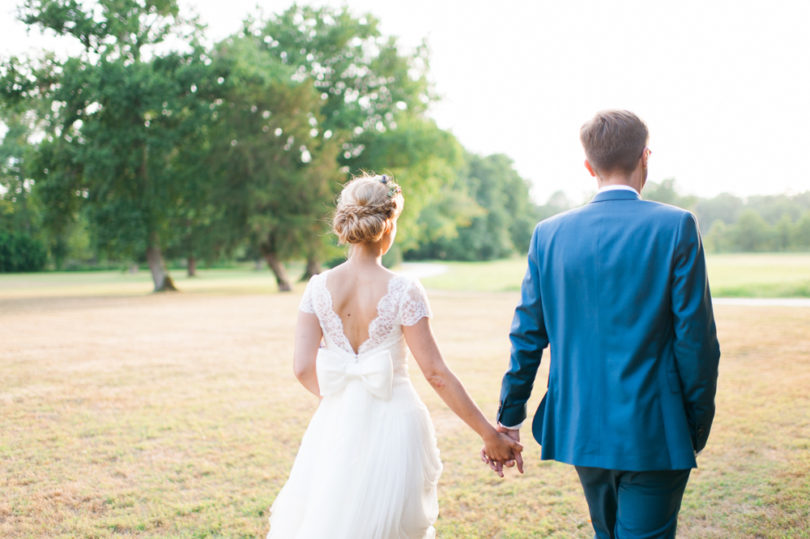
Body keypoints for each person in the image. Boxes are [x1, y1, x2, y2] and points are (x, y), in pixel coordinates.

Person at [488, 110, 720, 538]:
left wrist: (509, 415)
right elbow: (697, 342)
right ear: (645, 157)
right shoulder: (677, 226)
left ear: (589, 166)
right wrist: (696, 422)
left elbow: (527, 336)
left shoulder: (548, 234)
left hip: (580, 424)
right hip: (656, 427)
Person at [267, 174, 522, 538]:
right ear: (389, 226)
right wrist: (489, 434)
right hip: (396, 423)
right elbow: (435, 373)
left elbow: (302, 367)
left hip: (335, 422)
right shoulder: (405, 289)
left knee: (334, 518)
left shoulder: (317, 287)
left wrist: (345, 397)